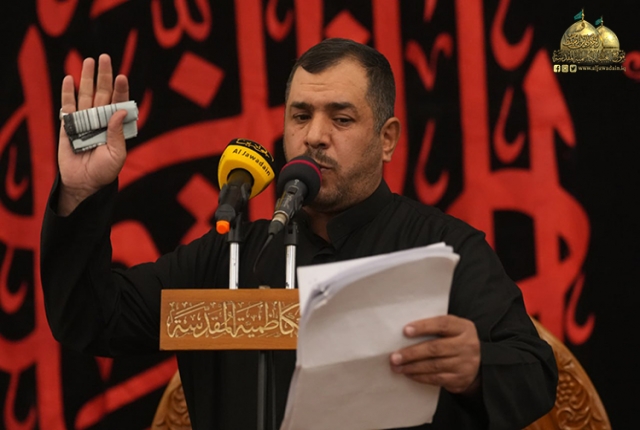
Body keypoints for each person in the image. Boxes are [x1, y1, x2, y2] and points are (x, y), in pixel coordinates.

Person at [41, 38, 557, 429]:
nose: (314, 136)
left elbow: (536, 374)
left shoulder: (444, 251)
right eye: (301, 116)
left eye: (342, 119)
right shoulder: (230, 257)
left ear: (387, 139)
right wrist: (80, 193)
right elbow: (91, 318)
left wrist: (477, 367)